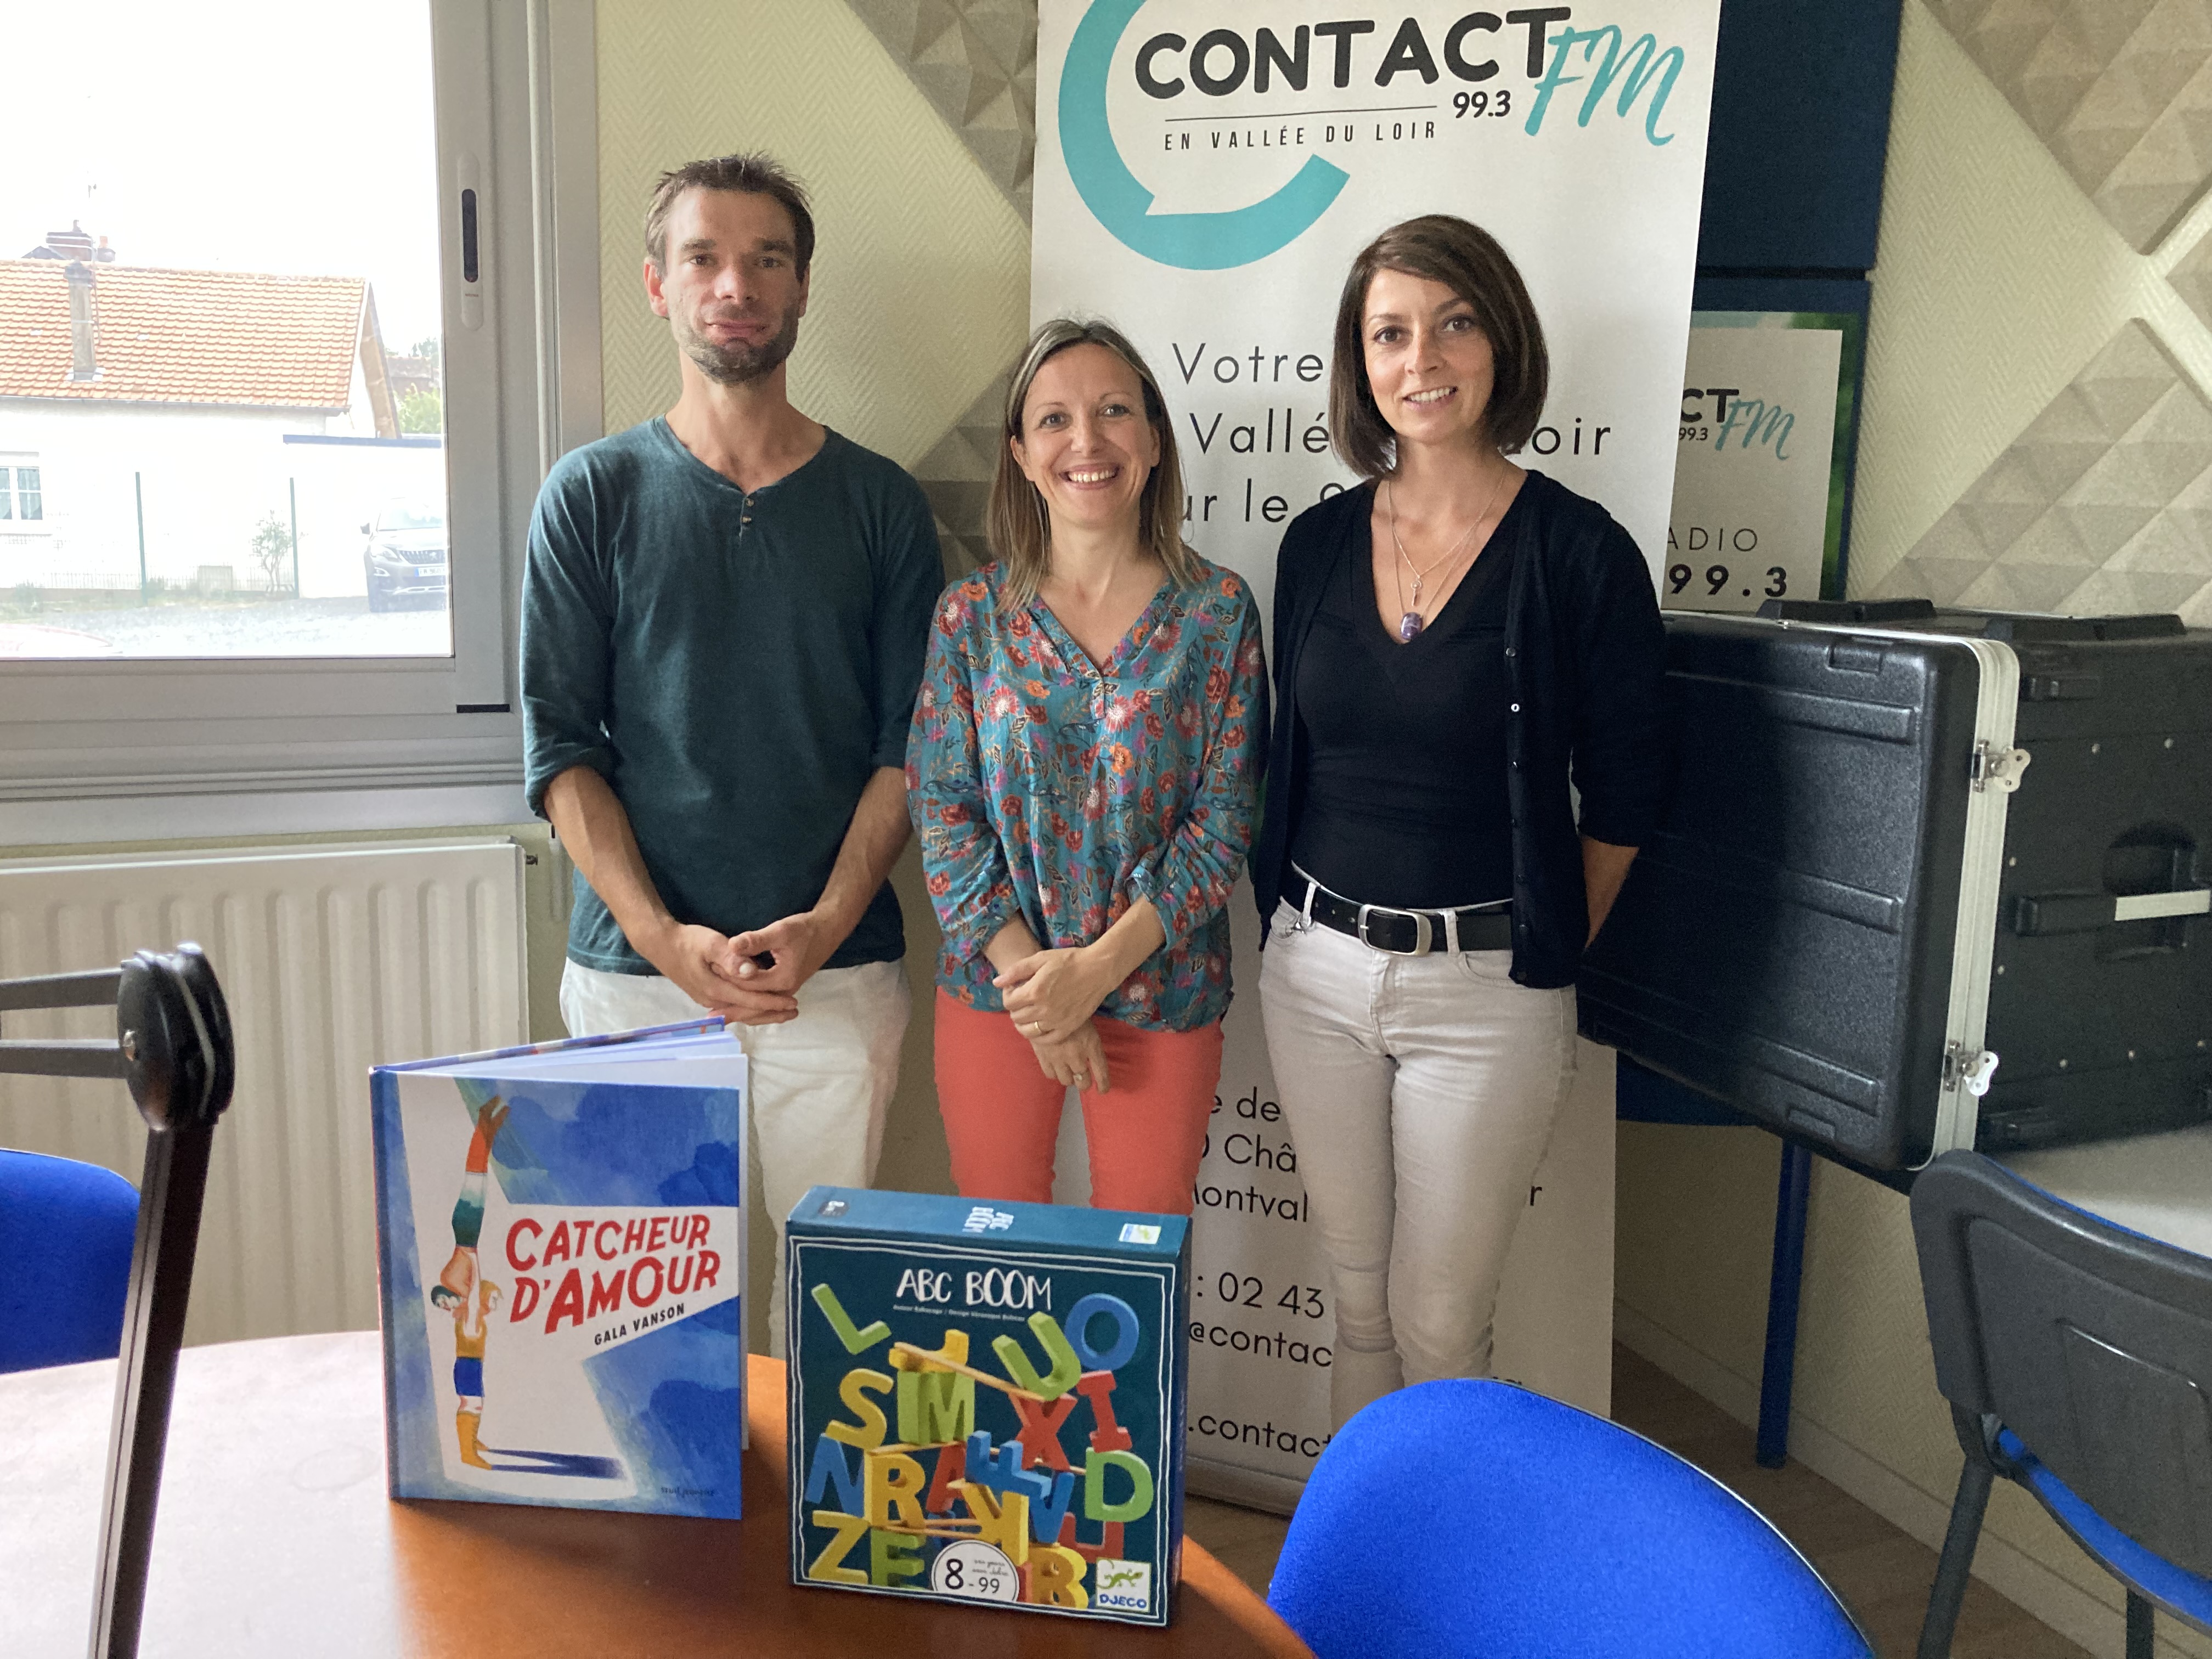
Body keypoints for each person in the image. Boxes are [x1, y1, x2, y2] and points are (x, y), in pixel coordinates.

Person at [1252, 215, 1668, 1428]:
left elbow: (1629, 788)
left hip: (1486, 994)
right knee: (1356, 1304)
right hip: (1313, 971)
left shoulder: (1579, 553)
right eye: (1390, 333)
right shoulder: (1315, 545)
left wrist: (1544, 945)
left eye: (1455, 323)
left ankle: (1438, 1548)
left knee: (1440, 1322)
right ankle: (1357, 1543)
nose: (1421, 358)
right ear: (1360, 362)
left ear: (1502, 343)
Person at [522, 154, 944, 1347]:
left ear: (802, 288)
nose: (735, 286)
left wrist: (824, 923)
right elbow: (562, 753)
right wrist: (666, 940)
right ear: (657, 285)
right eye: (703, 257)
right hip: (636, 980)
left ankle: (788, 1491)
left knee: (824, 1319)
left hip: (834, 977)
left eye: (766, 260)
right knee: (646, 1329)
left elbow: (909, 747)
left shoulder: (880, 503)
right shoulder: (590, 495)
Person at [907, 318, 1266, 1213]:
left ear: (1154, 440)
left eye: (1114, 411)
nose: (1087, 441)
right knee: (996, 1246)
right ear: (1021, 455)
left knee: (1136, 1261)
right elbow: (944, 812)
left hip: (1159, 988)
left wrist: (1097, 972)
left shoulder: (1218, 613)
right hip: (1000, 991)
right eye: (1055, 420)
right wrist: (1041, 992)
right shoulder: (970, 618)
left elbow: (1225, 824)